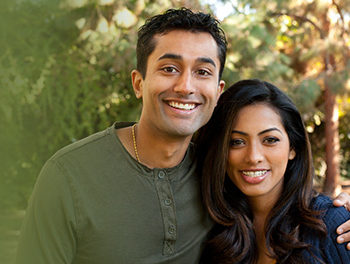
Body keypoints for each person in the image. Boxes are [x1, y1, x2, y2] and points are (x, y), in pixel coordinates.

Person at [15, 8, 350, 264]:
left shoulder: (216, 179)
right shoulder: (68, 176)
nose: (186, 86)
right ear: (138, 82)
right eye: (169, 68)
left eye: (202, 71)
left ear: (218, 91)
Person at [197, 79, 350, 264]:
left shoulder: (332, 225)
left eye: (270, 139)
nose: (253, 157)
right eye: (236, 142)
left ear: (293, 147)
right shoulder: (207, 231)